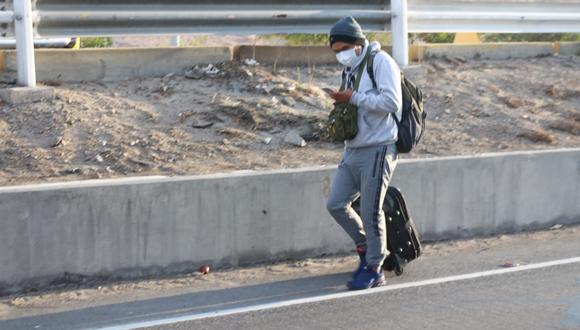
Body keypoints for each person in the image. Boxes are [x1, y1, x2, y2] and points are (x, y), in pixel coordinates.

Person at [326, 16, 403, 290]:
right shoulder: (350, 69)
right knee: (336, 204)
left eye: (344, 49)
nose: (341, 55)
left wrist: (354, 98)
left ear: (358, 44)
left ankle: (374, 268)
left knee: (371, 211)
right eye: (336, 52)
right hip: (354, 149)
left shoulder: (380, 62)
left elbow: (392, 101)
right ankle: (365, 247)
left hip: (379, 147)